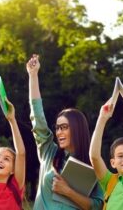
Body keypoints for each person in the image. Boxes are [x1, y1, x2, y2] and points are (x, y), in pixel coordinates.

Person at [26, 54, 104, 210]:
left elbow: (98, 205)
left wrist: (68, 192)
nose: (59, 132)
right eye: (57, 128)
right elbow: (38, 119)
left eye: (64, 127)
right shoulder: (49, 153)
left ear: (77, 129)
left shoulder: (92, 164)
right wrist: (33, 76)